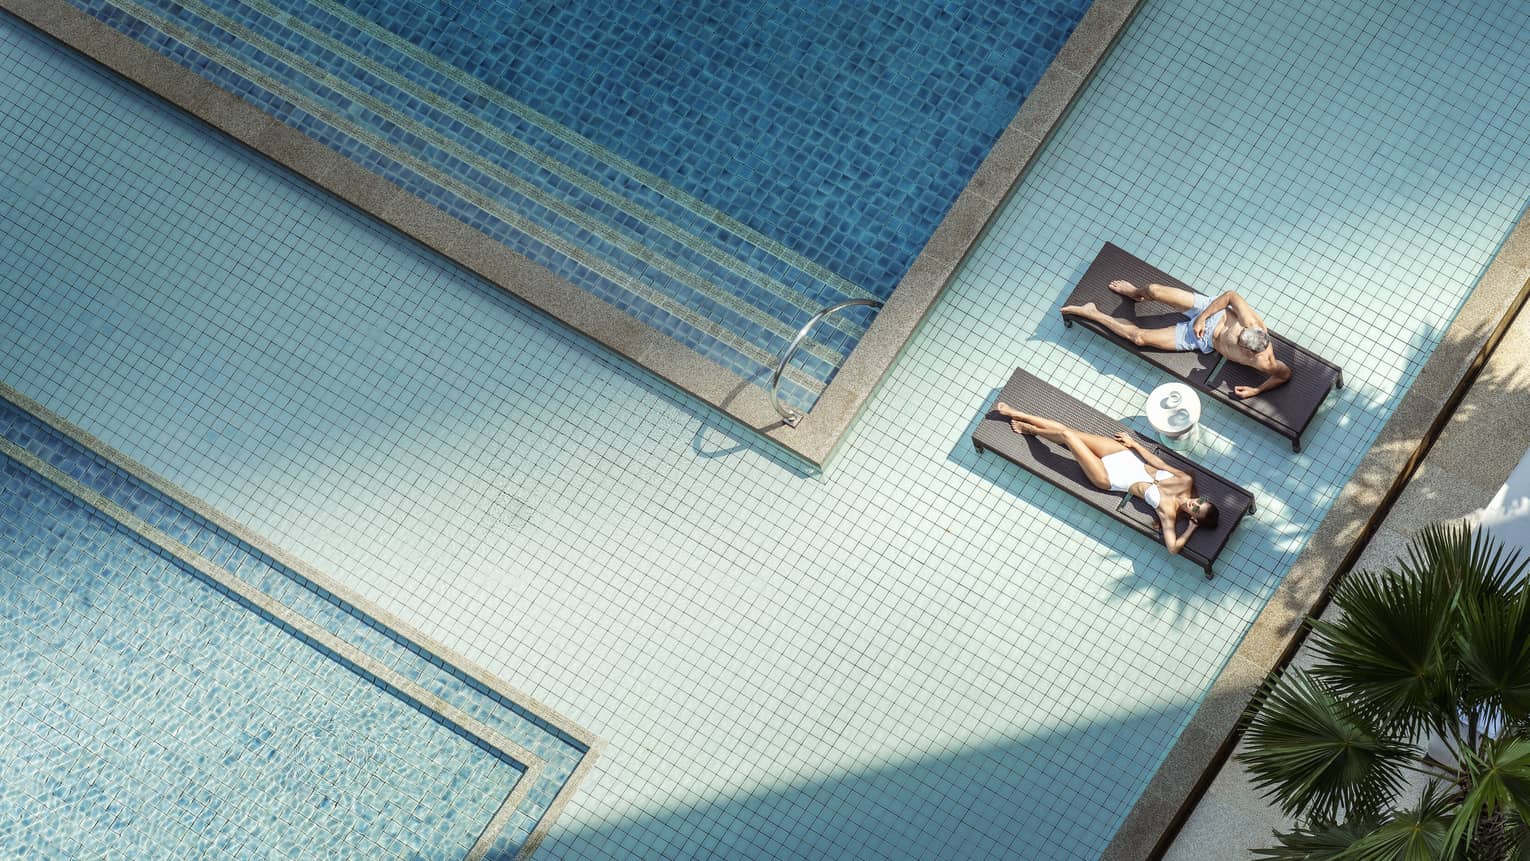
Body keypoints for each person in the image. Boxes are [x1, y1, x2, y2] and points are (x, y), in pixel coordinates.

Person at [993, 402, 1217, 555]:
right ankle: (1020, 415)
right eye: (1200, 502)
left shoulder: (1168, 513)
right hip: (1122, 455)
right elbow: (1160, 464)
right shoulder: (1186, 481)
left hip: (1108, 476)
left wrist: (1190, 529)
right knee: (1069, 431)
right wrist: (1135, 444)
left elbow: (1172, 548)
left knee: (1067, 436)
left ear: (1193, 517)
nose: (1194, 504)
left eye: (1196, 510)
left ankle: (1027, 426)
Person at [1062, 281, 1291, 399]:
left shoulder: (1265, 362)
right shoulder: (1250, 322)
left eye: (1240, 342)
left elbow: (1284, 375)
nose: (1239, 335)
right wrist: (1202, 317)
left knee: (1139, 338)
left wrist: (1256, 391)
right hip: (1211, 312)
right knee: (1153, 289)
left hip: (1201, 340)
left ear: (1251, 353)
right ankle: (1134, 293)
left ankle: (1091, 312)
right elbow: (1230, 295)